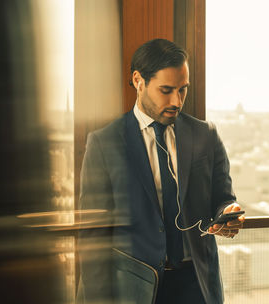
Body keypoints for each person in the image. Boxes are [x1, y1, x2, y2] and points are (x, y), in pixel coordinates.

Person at [77, 38, 245, 304]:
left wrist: (228, 213)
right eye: (166, 90)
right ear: (138, 81)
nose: (177, 101)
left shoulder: (206, 135)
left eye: (183, 90)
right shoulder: (104, 142)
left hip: (196, 283)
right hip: (134, 287)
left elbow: (223, 198)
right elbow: (92, 236)